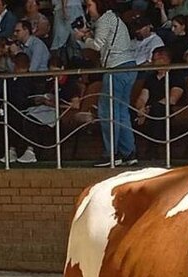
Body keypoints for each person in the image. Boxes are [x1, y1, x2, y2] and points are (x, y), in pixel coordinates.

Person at [75, 0, 137, 167]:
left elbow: (96, 46)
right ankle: (128, 152)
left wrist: (83, 38)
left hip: (116, 68)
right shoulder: (114, 18)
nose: (88, 10)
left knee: (107, 111)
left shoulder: (104, 20)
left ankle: (111, 153)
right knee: (121, 112)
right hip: (129, 66)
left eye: (90, 5)